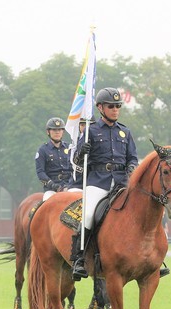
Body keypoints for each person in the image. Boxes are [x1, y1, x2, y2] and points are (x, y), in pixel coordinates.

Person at [70, 88, 138, 281]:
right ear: (100, 108)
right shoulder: (91, 131)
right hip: (98, 182)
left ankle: (149, 258)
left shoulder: (125, 132)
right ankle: (79, 259)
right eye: (111, 106)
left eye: (118, 106)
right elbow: (76, 161)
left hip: (122, 183)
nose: (115, 109)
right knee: (89, 214)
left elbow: (132, 157)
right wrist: (82, 152)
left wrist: (132, 168)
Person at [35, 117, 73, 201]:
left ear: (63, 132)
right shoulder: (43, 150)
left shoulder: (70, 147)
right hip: (52, 189)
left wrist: (70, 184)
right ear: (48, 132)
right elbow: (40, 172)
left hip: (69, 187)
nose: (57, 132)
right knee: (45, 206)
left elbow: (73, 168)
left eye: (60, 130)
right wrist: (52, 184)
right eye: (54, 130)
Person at [66, 117, 95, 192]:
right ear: (78, 127)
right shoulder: (73, 147)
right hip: (78, 184)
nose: (85, 128)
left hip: (96, 183)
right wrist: (80, 155)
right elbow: (73, 164)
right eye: (82, 125)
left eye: (88, 125)